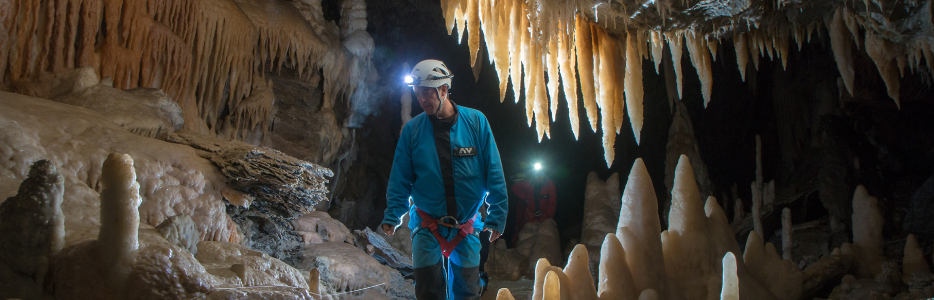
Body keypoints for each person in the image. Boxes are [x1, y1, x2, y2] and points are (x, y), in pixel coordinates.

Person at [381, 59, 507, 300]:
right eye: (417, 94)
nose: (421, 100)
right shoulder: (413, 131)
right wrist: (393, 214)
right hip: (427, 224)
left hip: (466, 225)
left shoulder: (476, 122)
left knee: (467, 292)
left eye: (427, 93)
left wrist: (497, 215)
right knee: (429, 291)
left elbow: (494, 171)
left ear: (444, 90)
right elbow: (400, 178)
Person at [510, 165, 556, 245]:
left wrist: (547, 216)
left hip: (544, 217)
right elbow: (515, 188)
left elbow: (552, 203)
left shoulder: (549, 185)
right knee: (524, 237)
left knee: (546, 236)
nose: (539, 176)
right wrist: (524, 197)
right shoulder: (529, 184)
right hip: (531, 217)